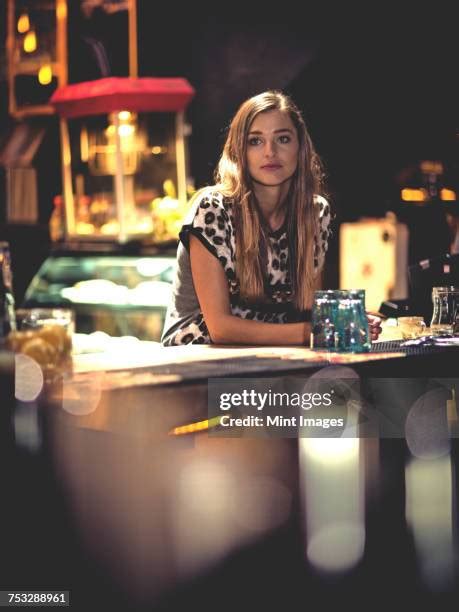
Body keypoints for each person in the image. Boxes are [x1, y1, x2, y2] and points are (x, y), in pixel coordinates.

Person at [162, 90, 381, 346]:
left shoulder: (314, 212)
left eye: (283, 139)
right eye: (255, 141)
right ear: (238, 151)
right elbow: (220, 328)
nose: (270, 152)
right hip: (200, 353)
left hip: (277, 353)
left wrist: (345, 318)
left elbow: (307, 310)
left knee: (361, 378)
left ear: (300, 147)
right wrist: (315, 331)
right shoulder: (213, 208)